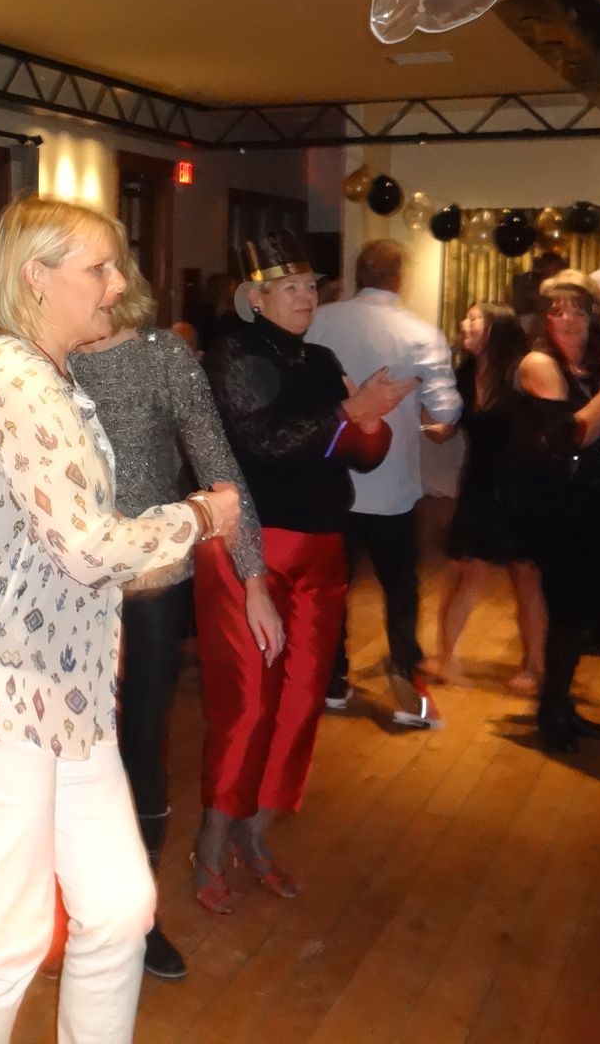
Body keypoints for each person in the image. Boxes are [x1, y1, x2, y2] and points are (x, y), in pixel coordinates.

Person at [0, 195, 240, 1044]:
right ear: (38, 277)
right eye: (99, 268)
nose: (118, 282)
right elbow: (86, 547)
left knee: (118, 909)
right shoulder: (7, 381)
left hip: (61, 691)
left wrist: (150, 561)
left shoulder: (54, 381)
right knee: (7, 933)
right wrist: (196, 517)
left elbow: (65, 549)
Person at [69, 235, 274, 981]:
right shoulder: (43, 357)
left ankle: (137, 917)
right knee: (66, 751)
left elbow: (219, 467)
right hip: (61, 585)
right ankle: (71, 910)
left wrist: (253, 577)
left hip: (149, 584)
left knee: (138, 747)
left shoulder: (162, 355)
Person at [201, 230, 411, 909]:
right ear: (255, 297)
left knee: (301, 703)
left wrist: (373, 422)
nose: (305, 297)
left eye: (311, 286)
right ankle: (210, 846)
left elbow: (356, 457)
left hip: (323, 547)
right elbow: (263, 443)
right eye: (289, 288)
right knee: (249, 704)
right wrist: (348, 412)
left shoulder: (321, 358)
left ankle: (255, 834)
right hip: (250, 550)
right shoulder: (232, 351)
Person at [309, 239, 459, 726]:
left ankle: (332, 680)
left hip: (331, 475)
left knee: (334, 586)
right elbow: (447, 410)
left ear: (358, 273)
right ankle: (404, 677)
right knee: (399, 586)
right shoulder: (419, 332)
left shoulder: (322, 319)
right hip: (391, 483)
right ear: (399, 277)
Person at [512, 271, 600, 751]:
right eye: (556, 311)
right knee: (567, 608)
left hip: (595, 501)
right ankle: (552, 713)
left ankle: (560, 703)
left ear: (593, 316)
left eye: (577, 310)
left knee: (582, 608)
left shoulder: (596, 364)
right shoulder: (538, 364)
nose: (567, 319)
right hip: (554, 504)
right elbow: (573, 434)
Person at [432, 303, 545, 694]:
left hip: (522, 486)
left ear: (498, 328)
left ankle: (535, 667)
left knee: (526, 576)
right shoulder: (466, 372)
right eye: (466, 317)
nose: (465, 323)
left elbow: (551, 424)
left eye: (475, 318)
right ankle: (445, 659)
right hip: (480, 483)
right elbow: (449, 428)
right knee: (467, 571)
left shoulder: (524, 369)